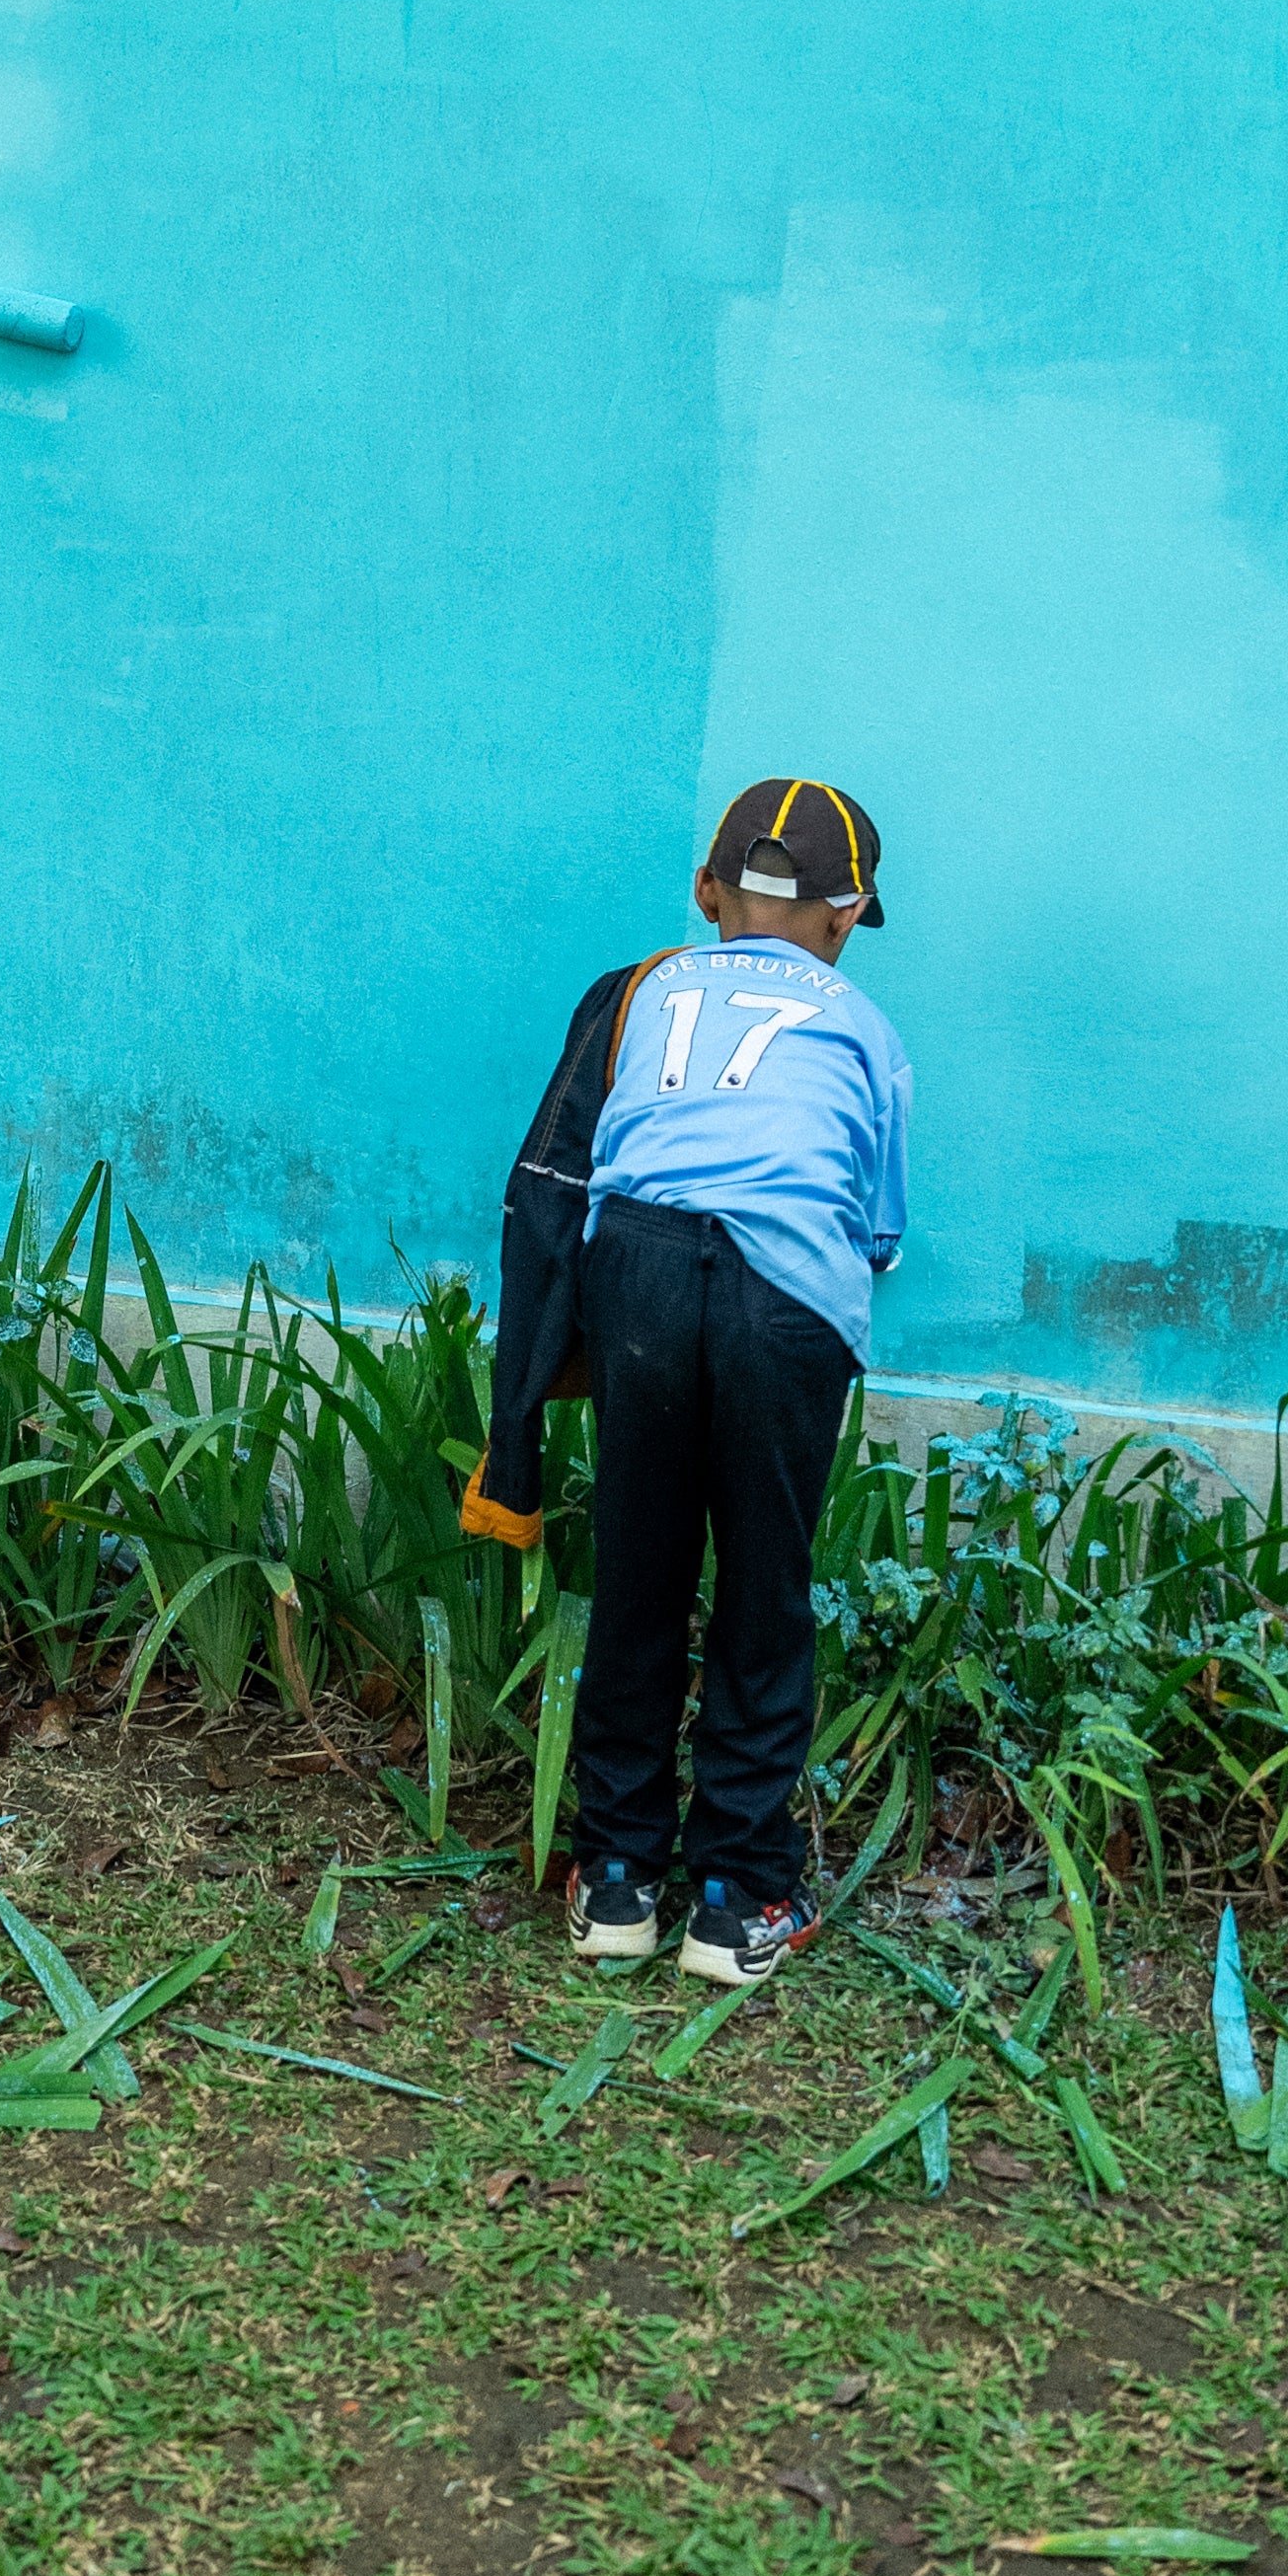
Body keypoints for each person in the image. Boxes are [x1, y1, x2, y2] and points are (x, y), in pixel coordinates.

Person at [462, 780, 907, 1986]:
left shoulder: (650, 989)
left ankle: (616, 1878)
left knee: (639, 1573)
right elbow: (876, 1231)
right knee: (764, 1591)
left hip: (638, 1270)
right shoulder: (863, 1025)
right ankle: (738, 1895)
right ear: (845, 913)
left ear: (707, 891)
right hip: (784, 1296)